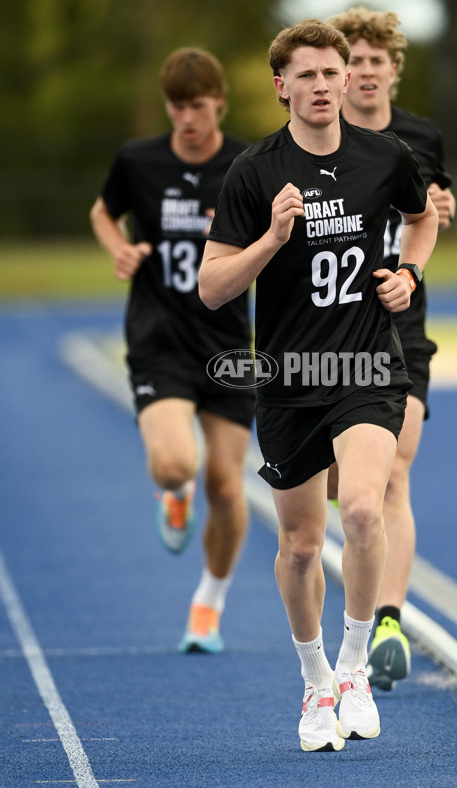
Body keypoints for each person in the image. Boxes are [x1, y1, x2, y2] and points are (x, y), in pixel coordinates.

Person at [198, 19, 438, 752]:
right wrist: (270, 240)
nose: (325, 86)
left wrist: (409, 274)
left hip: (368, 365)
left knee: (364, 509)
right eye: (307, 75)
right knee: (302, 544)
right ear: (282, 87)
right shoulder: (255, 172)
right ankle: (315, 682)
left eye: (332, 73)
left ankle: (357, 666)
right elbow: (211, 288)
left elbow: (422, 218)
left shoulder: (384, 155)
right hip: (290, 378)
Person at [90, 47, 254, 655]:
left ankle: (208, 604)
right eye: (178, 107)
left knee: (229, 487)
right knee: (176, 466)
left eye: (199, 106)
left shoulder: (247, 163)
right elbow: (104, 212)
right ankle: (175, 494)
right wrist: (119, 248)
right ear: (169, 107)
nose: (188, 118)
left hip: (228, 340)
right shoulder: (138, 160)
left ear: (219, 102)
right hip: (159, 336)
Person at [326, 6, 456, 691]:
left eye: (380, 60)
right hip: (327, 333)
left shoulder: (421, 137)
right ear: (339, 72)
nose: (368, 70)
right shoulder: (319, 140)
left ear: (394, 69)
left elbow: (433, 207)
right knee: (346, 491)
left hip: (400, 328)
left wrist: (437, 218)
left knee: (394, 473)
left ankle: (387, 619)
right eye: (357, 60)